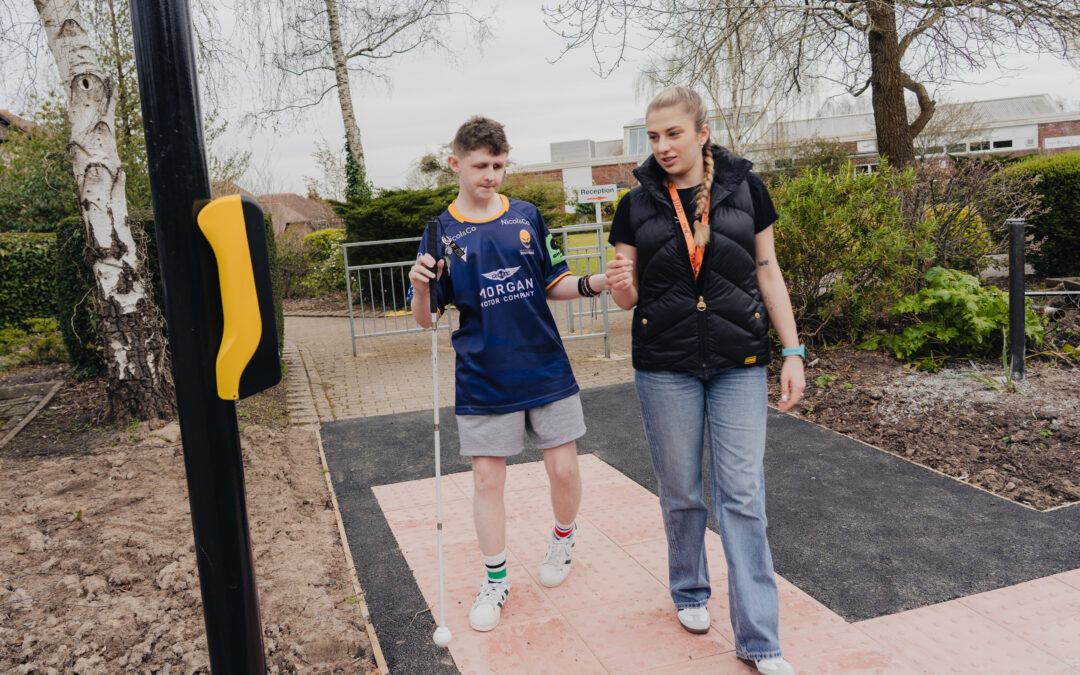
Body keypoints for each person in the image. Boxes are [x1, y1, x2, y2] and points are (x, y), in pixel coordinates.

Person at [604, 87, 806, 675]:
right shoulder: (635, 204)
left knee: (742, 497)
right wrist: (619, 283)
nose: (662, 146)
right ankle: (690, 591)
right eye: (653, 136)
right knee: (683, 492)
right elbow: (629, 297)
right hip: (665, 365)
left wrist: (791, 350)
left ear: (702, 132)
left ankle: (760, 641)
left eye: (673, 134)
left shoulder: (746, 188)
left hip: (738, 362)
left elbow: (768, 272)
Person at [409, 115, 612, 633]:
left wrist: (594, 283)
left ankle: (564, 539)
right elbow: (427, 318)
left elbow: (555, 281)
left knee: (564, 470)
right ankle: (495, 578)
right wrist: (420, 286)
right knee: (486, 480)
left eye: (499, 164)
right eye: (481, 165)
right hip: (483, 374)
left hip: (544, 364)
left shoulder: (526, 216)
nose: (491, 175)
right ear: (456, 164)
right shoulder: (439, 231)